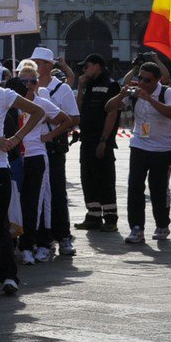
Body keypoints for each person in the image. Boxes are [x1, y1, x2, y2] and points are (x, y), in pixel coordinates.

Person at [0, 51, 47, 303]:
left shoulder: (3, 94)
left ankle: (2, 276)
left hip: (0, 165)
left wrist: (15, 139)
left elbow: (38, 112)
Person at [108, 61, 171, 245]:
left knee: (158, 189)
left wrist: (149, 98)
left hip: (162, 148)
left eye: (147, 80)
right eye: (140, 78)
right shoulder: (135, 92)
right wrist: (121, 94)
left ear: (157, 80)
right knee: (134, 187)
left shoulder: (167, 92)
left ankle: (162, 224)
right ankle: (136, 228)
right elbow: (109, 108)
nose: (142, 83)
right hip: (139, 144)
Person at [30, 48, 80, 258]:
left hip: (51, 147)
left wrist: (51, 124)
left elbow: (74, 118)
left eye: (39, 63)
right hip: (30, 147)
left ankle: (63, 236)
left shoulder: (61, 89)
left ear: (49, 66)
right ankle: (38, 238)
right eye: (32, 62)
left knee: (57, 191)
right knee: (33, 194)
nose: (34, 66)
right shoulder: (26, 85)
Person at [13, 61, 64, 265]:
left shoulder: (42, 102)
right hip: (16, 156)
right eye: (23, 81)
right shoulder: (12, 100)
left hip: (35, 155)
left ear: (37, 82)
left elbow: (67, 119)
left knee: (35, 202)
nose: (28, 84)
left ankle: (32, 245)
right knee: (16, 202)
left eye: (32, 81)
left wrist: (49, 136)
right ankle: (18, 244)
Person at [75, 54, 122, 231]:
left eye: (86, 66)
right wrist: (80, 87)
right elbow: (77, 109)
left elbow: (112, 114)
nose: (84, 70)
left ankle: (110, 219)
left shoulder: (111, 85)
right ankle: (93, 216)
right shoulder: (88, 86)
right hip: (86, 139)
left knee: (105, 179)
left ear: (96, 66)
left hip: (102, 140)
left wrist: (104, 140)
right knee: (88, 178)